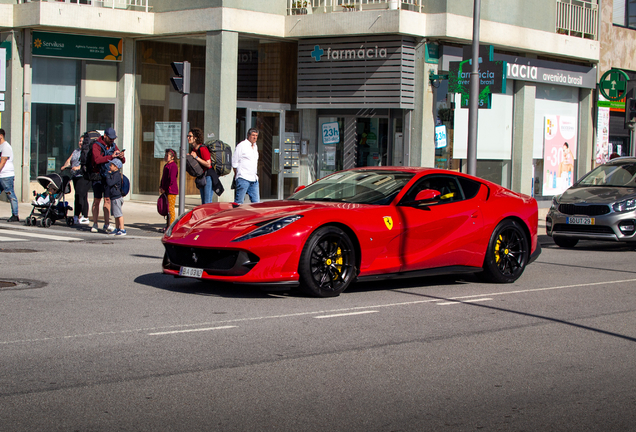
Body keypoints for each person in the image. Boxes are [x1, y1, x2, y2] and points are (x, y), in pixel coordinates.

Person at [89, 127, 125, 233]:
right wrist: (110, 156)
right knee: (97, 200)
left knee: (107, 200)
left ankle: (107, 224)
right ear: (105, 136)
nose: (112, 140)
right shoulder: (96, 145)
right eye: (110, 138)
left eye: (114, 138)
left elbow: (122, 161)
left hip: (109, 176)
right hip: (97, 176)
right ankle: (95, 223)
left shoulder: (113, 146)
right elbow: (97, 159)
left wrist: (121, 157)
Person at [61, 135, 91, 225]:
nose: (80, 142)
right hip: (75, 176)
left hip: (84, 176)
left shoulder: (87, 152)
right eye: (80, 141)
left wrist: (78, 167)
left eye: (82, 141)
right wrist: (65, 166)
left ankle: (82, 216)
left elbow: (87, 164)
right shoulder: (76, 151)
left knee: (80, 195)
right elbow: (69, 160)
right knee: (79, 196)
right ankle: (79, 216)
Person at [232, 128, 260, 204]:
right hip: (243, 178)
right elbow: (234, 163)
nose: (255, 137)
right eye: (253, 135)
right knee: (239, 202)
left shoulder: (255, 146)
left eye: (256, 136)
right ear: (248, 135)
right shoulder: (241, 145)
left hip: (254, 179)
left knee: (257, 203)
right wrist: (237, 175)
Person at [188, 127, 213, 204]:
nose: (188, 138)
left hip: (208, 176)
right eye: (188, 136)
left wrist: (196, 157)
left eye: (190, 136)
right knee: (203, 202)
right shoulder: (193, 149)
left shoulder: (202, 149)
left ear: (195, 138)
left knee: (207, 202)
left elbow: (208, 164)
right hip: (201, 176)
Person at [0, 128, 19, 222]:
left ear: (1, 136)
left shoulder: (6, 146)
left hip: (6, 176)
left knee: (10, 195)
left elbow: (3, 161)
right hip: (1, 175)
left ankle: (15, 215)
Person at [104, 158, 126, 236]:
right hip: (113, 197)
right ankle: (117, 228)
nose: (110, 167)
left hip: (117, 197)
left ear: (116, 167)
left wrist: (108, 175)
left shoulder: (116, 175)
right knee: (116, 215)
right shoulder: (114, 174)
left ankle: (122, 229)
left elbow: (110, 183)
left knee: (119, 214)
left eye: (111, 165)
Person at [159, 148, 178, 232]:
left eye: (168, 155)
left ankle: (171, 226)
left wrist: (164, 188)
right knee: (167, 209)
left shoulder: (173, 166)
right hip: (166, 190)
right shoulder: (166, 166)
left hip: (171, 190)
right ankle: (167, 225)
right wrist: (161, 186)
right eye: (165, 155)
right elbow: (163, 178)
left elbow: (171, 179)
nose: (166, 157)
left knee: (171, 209)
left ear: (172, 157)